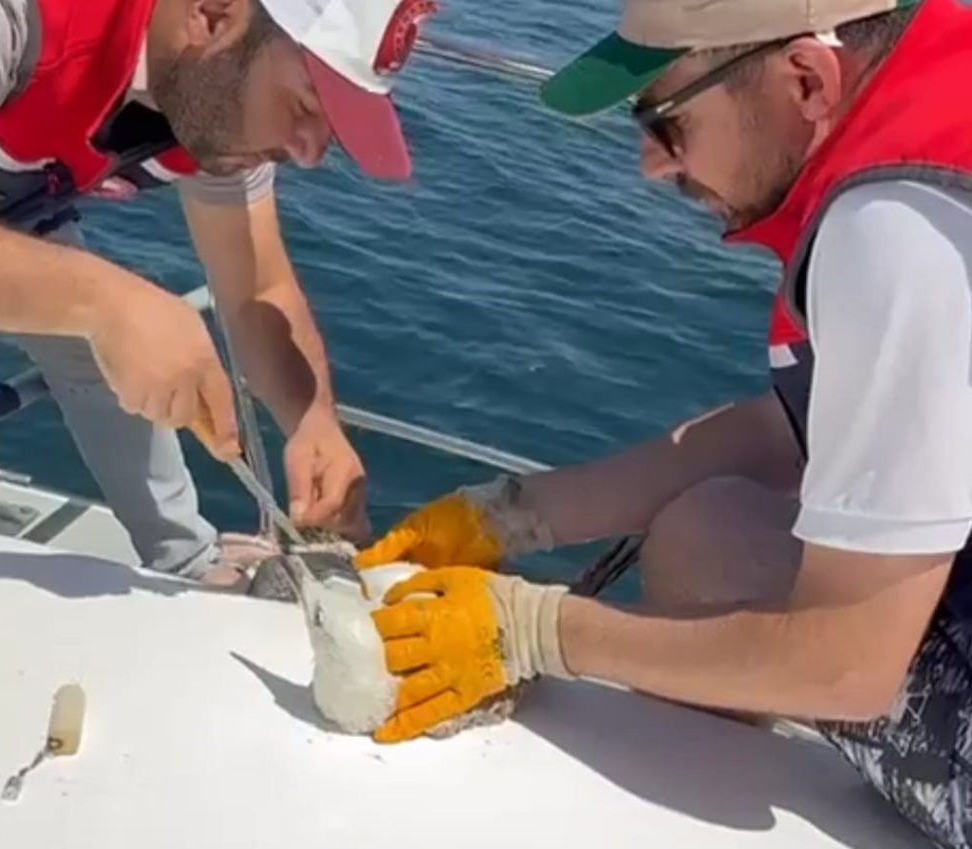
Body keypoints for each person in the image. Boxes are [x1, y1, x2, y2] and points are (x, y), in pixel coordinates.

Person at [355, 0, 972, 844]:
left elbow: (849, 663)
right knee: (709, 531)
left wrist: (532, 631)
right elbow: (793, 428)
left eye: (668, 121)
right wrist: (508, 515)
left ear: (805, 80)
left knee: (711, 547)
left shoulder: (894, 231)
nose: (650, 164)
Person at [0, 0, 436, 586]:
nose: (308, 154)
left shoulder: (214, 90)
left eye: (328, 126)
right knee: (103, 312)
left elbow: (257, 286)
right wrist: (103, 304)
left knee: (97, 338)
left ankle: (186, 562)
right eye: (305, 105)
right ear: (211, 16)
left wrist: (313, 423)